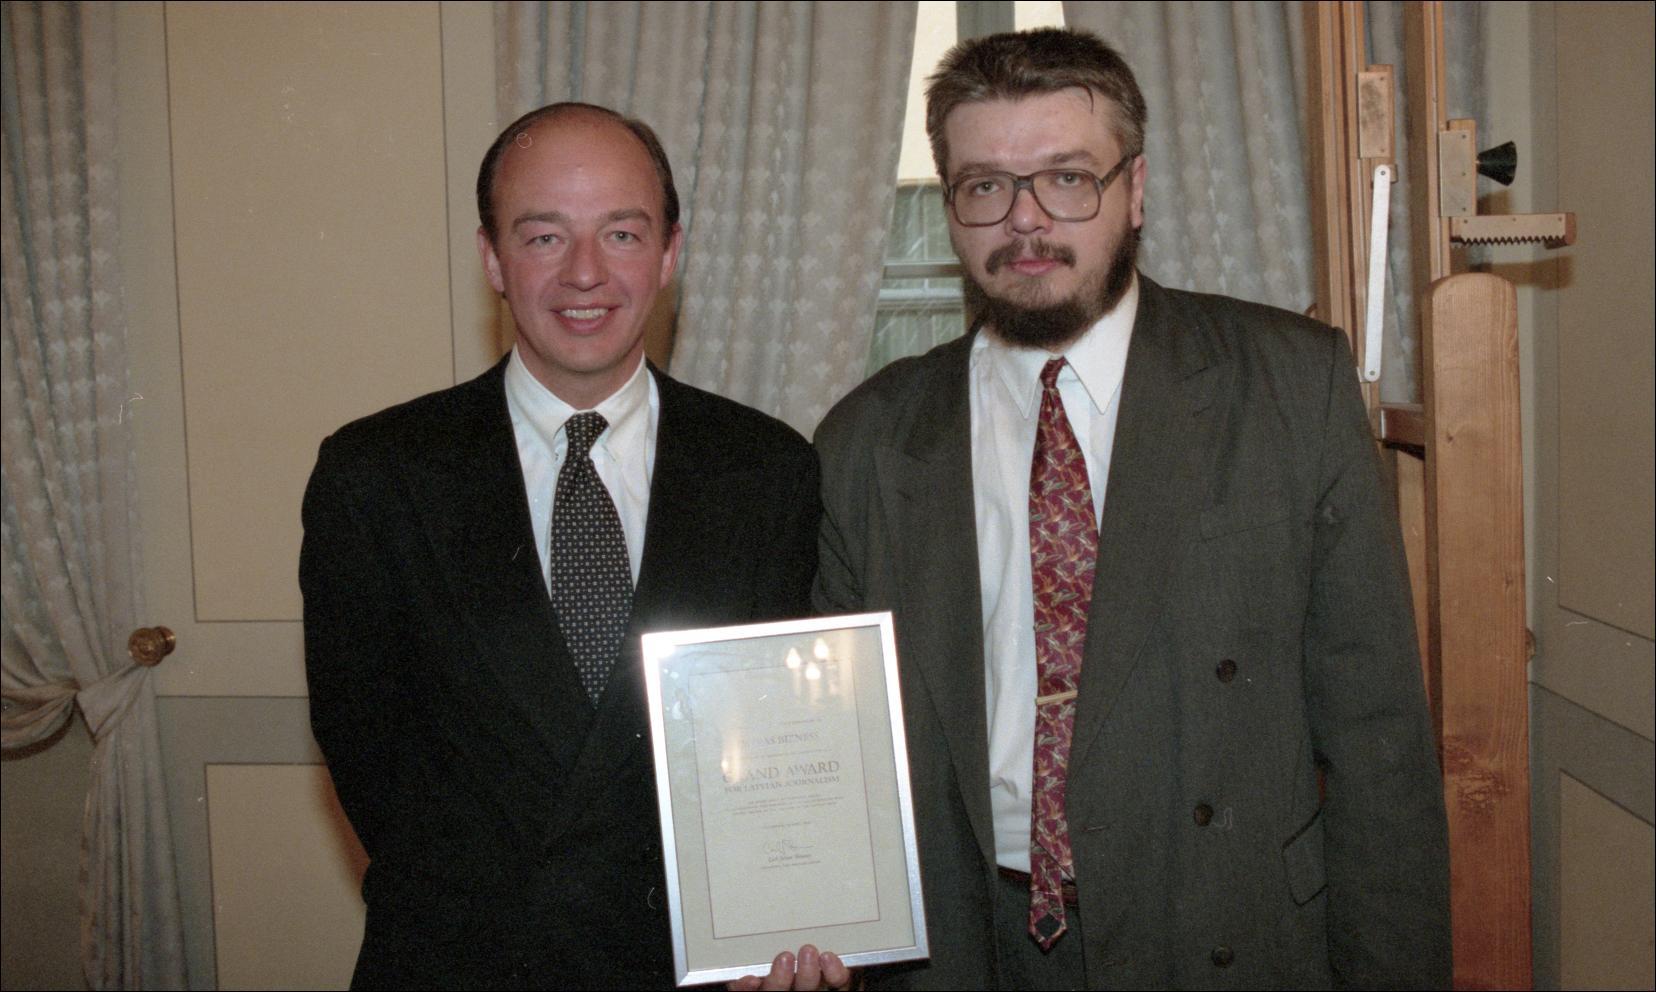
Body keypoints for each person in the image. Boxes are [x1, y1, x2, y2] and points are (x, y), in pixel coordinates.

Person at [812, 28, 1450, 990]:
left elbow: (1378, 745)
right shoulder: (867, 437)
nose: (1025, 221)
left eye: (1067, 178)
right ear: (950, 209)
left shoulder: (1291, 388)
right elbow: (834, 751)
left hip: (1222, 933)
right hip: (966, 945)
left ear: (1136, 190)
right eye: (985, 186)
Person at [301, 102, 820, 990]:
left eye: (622, 233)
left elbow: (786, 744)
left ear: (669, 254)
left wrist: (789, 917)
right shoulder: (375, 475)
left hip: (694, 969)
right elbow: (369, 760)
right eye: (544, 237)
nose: (586, 273)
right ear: (492, 259)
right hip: (466, 965)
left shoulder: (769, 468)